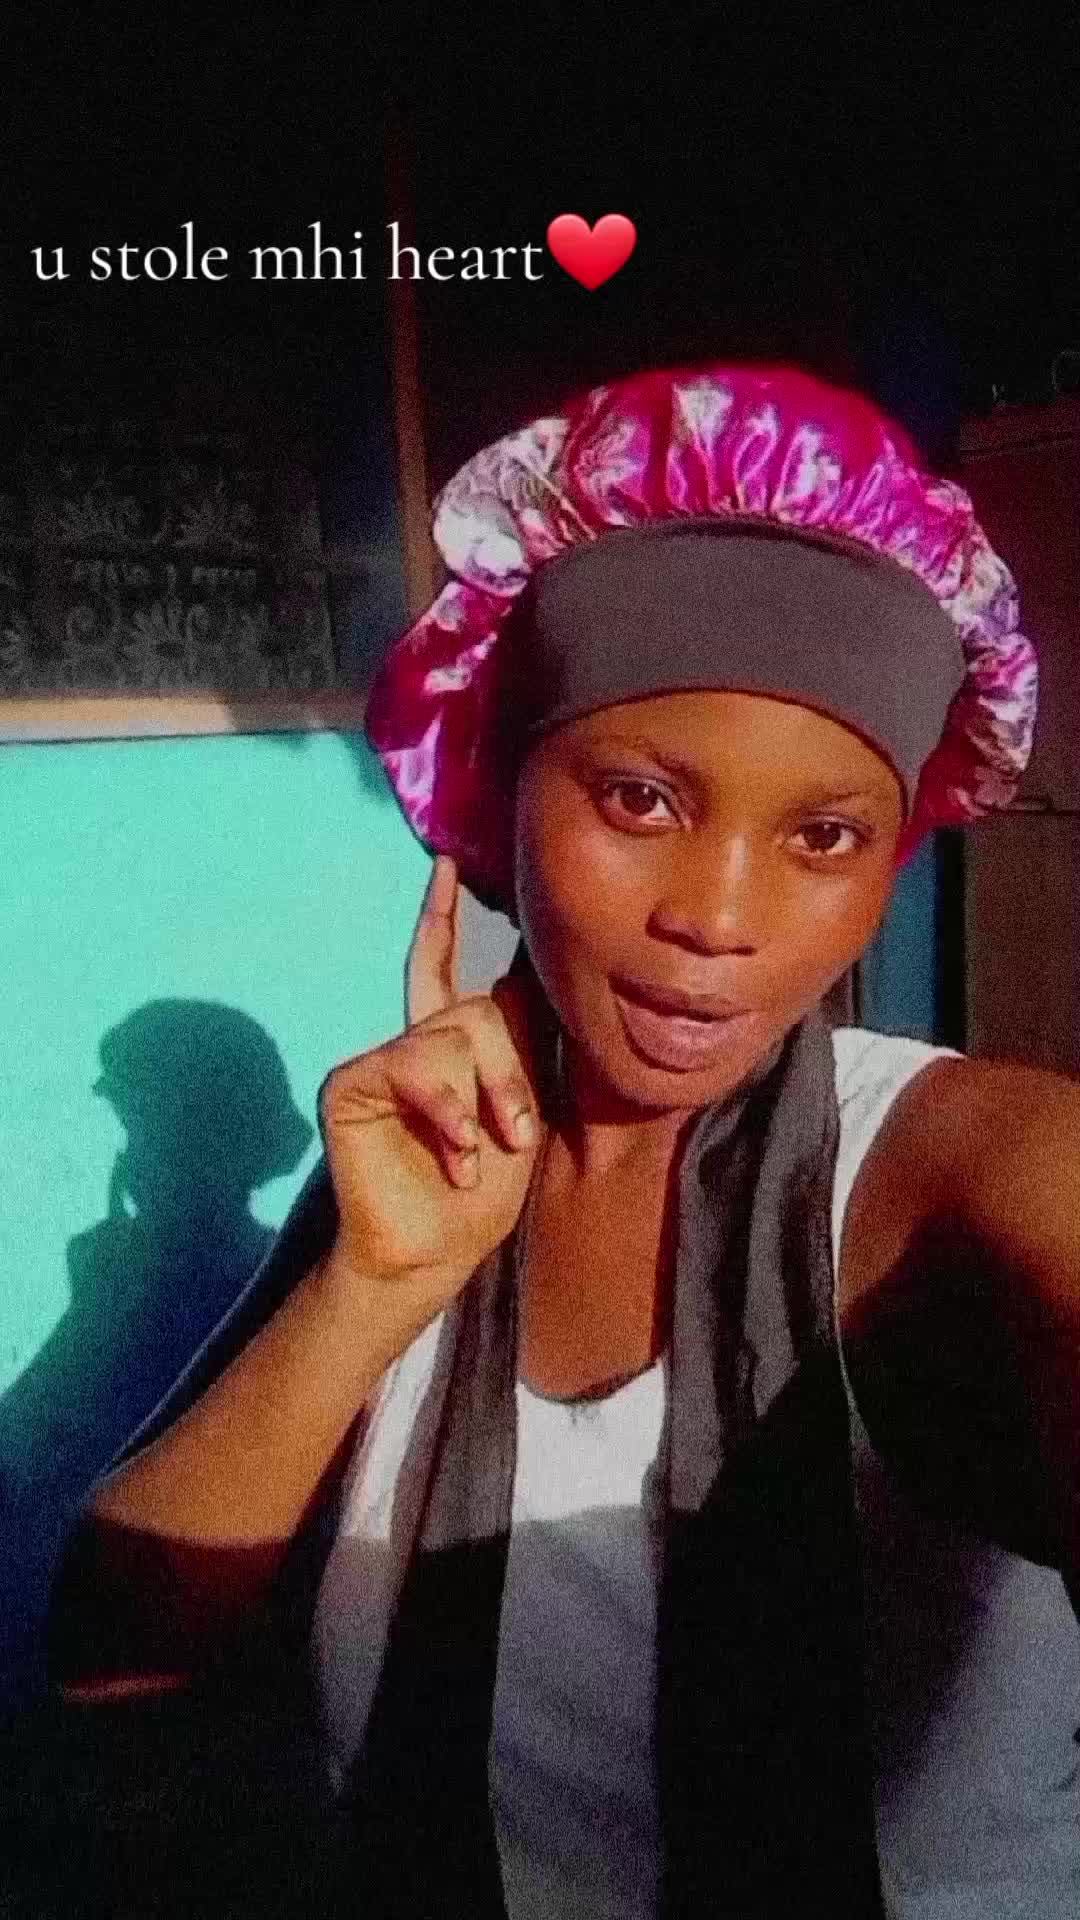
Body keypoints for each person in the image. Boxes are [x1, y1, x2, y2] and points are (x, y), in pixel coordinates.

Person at [49, 362, 1080, 1918]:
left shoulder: (949, 1176)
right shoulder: (422, 1159)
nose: (717, 917)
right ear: (504, 782)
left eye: (823, 836)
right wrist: (373, 1288)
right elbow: (119, 1651)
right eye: (642, 798)